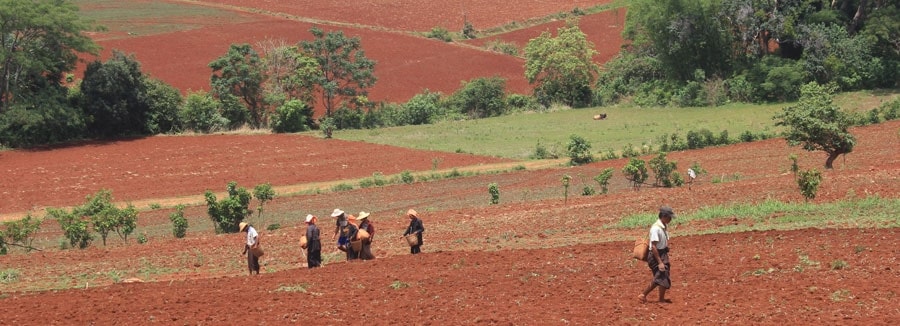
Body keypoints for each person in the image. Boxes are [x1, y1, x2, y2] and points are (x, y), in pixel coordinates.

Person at [639, 206, 675, 303]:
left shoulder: (662, 227)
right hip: (656, 256)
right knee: (660, 276)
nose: (671, 219)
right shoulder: (656, 228)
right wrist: (660, 262)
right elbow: (654, 246)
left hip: (662, 253)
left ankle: (661, 299)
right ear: (664, 216)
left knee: (663, 276)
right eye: (669, 217)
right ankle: (643, 294)